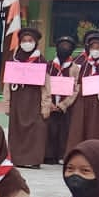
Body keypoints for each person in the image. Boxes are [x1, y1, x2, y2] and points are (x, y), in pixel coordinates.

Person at [64, 30, 99, 151]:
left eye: (98, 48)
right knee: (81, 127)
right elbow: (79, 82)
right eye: (93, 47)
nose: (95, 50)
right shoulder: (85, 63)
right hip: (84, 101)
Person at [3, 26, 46, 167]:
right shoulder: (14, 59)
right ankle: (16, 158)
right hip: (17, 100)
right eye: (24, 40)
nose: (27, 43)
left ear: (35, 43)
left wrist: (45, 105)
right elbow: (7, 83)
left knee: (35, 129)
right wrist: (7, 103)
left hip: (34, 100)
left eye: (30, 40)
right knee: (16, 130)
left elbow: (46, 86)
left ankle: (32, 160)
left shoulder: (40, 60)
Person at [42, 34, 76, 163]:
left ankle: (61, 155)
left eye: (67, 46)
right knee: (49, 129)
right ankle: (48, 155)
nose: (64, 48)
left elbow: (76, 88)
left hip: (65, 105)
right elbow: (43, 85)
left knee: (64, 130)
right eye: (62, 46)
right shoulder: (48, 65)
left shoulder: (75, 68)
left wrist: (64, 104)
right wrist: (48, 102)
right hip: (50, 103)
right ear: (56, 48)